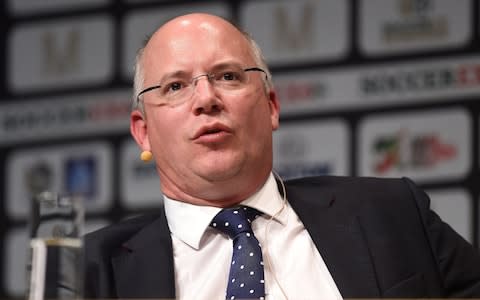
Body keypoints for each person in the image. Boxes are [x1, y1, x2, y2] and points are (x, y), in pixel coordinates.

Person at [84, 13, 480, 299]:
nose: (206, 99)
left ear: (271, 106)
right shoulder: (90, 273)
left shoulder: (392, 212)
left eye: (228, 76)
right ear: (143, 131)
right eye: (174, 86)